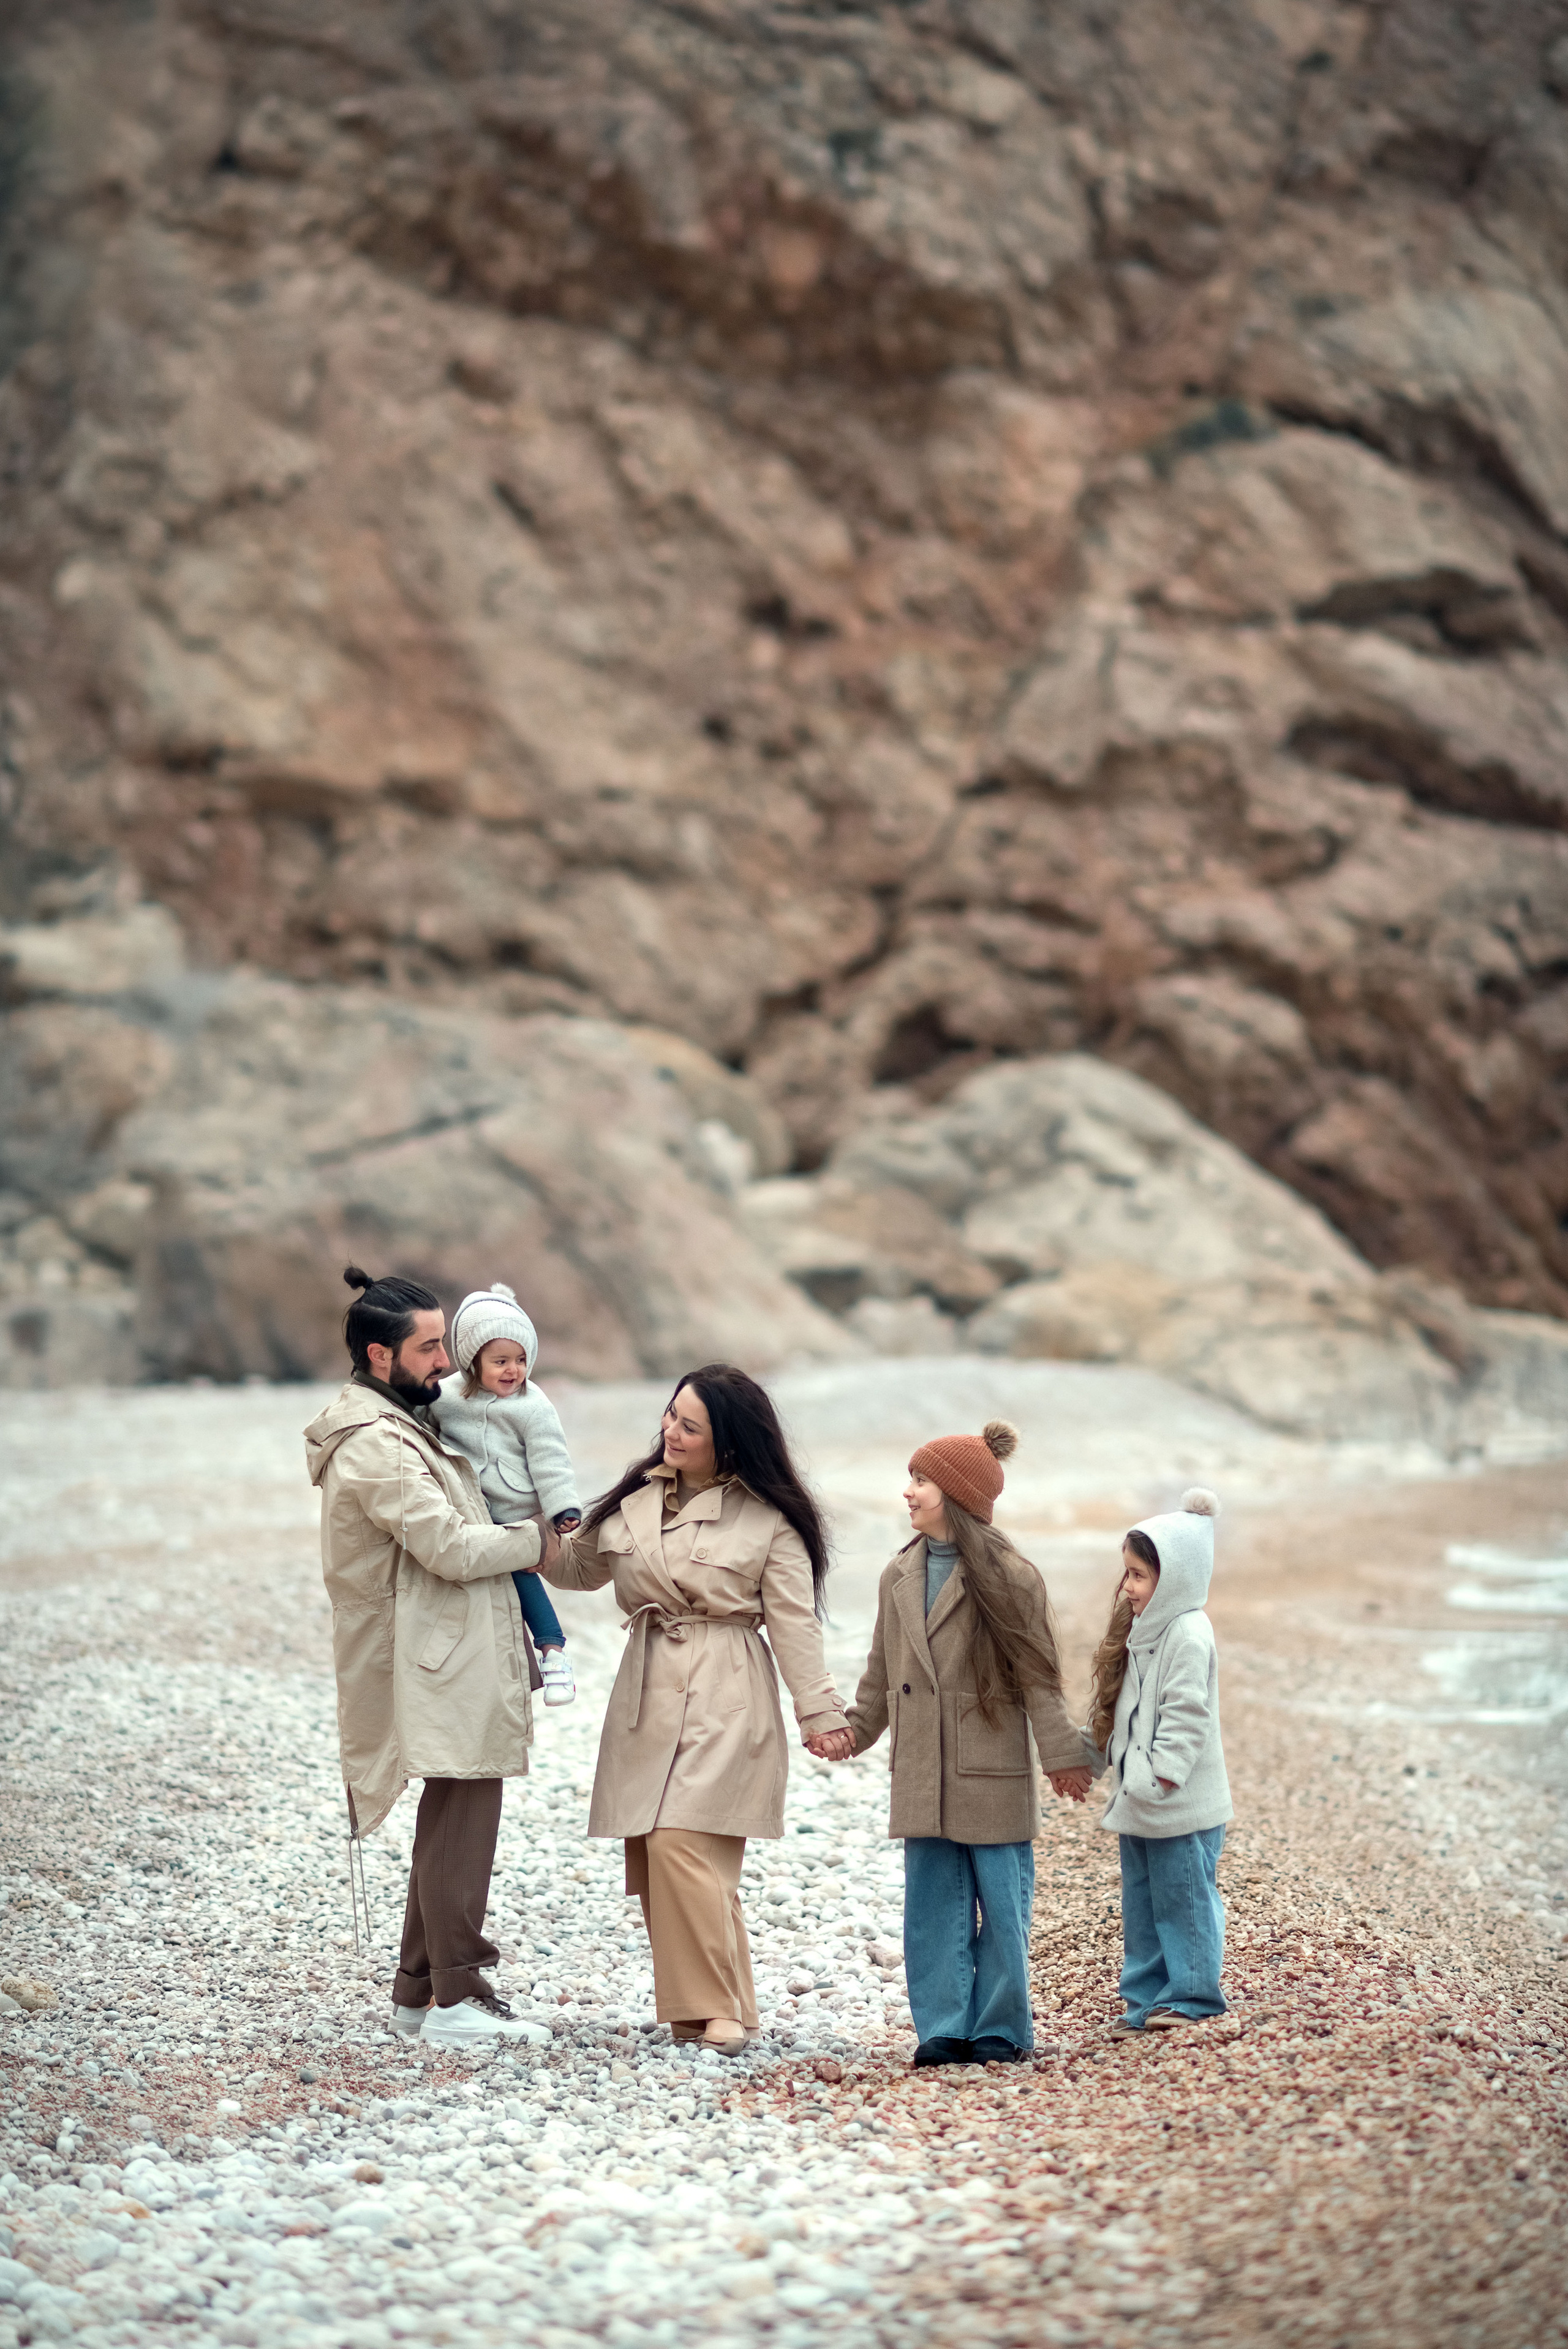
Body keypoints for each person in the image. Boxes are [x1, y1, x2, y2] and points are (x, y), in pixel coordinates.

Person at [540, 1365, 853, 2055]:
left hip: (728, 1684)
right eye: (670, 1416)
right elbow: (577, 1568)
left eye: (689, 1426)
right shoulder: (634, 1502)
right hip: (647, 1684)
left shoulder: (769, 1521)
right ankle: (708, 2010)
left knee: (687, 1838)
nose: (670, 1432)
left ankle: (718, 2008)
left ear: (728, 1441)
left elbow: (795, 1625)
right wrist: (522, 1516)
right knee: (657, 1848)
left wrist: (820, 1713)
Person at [304, 1266, 562, 2050]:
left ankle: (419, 1995)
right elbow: (447, 1546)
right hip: (430, 1654)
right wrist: (541, 1541)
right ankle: (459, 1995)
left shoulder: (404, 1423)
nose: (447, 1362)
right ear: (381, 1357)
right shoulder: (375, 1445)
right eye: (429, 1348)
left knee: (455, 1805)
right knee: (464, 1805)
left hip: (442, 1646)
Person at [839, 1421, 1091, 2068]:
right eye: (912, 1478)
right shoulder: (897, 1575)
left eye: (920, 1481)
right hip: (921, 1766)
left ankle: (1000, 2026)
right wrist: (852, 1731)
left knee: (1003, 1908)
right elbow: (878, 1671)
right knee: (931, 1908)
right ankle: (944, 2027)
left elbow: (1040, 1677)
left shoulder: (1011, 1577)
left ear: (955, 1495)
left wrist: (1061, 1755)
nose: (908, 1492)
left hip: (990, 1769)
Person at [1084, 1487, 1233, 2035]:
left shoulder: (1189, 1633)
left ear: (1175, 1580)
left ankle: (1193, 1996)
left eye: (1139, 1576)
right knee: (1142, 1904)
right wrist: (1103, 1759)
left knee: (1186, 1898)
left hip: (1178, 1799)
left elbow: (1187, 1712)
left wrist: (1165, 1772)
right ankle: (1145, 1999)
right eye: (1126, 1573)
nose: (1127, 1587)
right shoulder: (1141, 1632)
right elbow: (1124, 1712)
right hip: (1139, 1797)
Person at [431, 1282, 581, 1708]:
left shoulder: (533, 1405)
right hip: (468, 1510)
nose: (512, 1370)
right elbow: (419, 1421)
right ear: (471, 1361)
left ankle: (553, 1653)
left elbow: (551, 1458)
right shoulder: (446, 1397)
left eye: (520, 1360)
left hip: (517, 1513)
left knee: (522, 1574)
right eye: (499, 1361)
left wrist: (562, 1508)